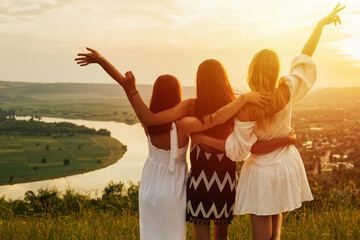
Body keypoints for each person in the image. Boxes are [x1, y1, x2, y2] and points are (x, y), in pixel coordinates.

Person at [74, 50, 275, 240]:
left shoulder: (184, 111)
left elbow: (134, 96)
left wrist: (103, 62)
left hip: (180, 180)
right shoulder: (223, 110)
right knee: (218, 235)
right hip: (218, 178)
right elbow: (228, 131)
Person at [190, 4, 345, 240]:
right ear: (276, 70)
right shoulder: (287, 88)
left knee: (262, 232)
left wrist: (202, 138)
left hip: (263, 171)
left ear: (253, 69)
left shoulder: (248, 108)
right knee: (276, 227)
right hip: (286, 165)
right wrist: (319, 26)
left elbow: (240, 150)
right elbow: (305, 57)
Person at [121, 66, 296, 240]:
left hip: (199, 179)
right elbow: (242, 146)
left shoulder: (193, 107)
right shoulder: (234, 106)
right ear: (223, 80)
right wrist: (284, 137)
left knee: (201, 235)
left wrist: (203, 140)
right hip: (225, 178)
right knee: (221, 236)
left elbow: (153, 119)